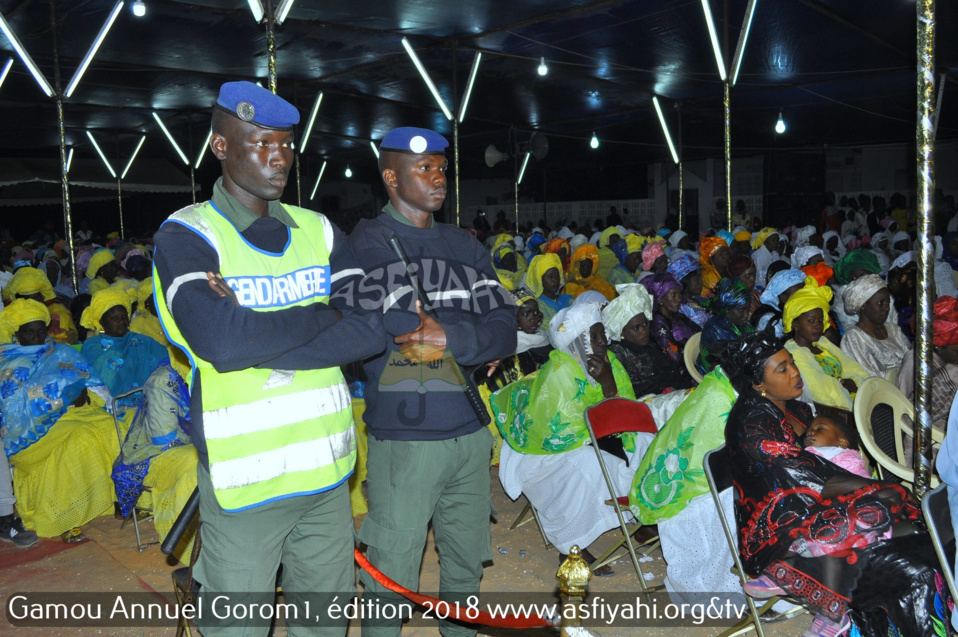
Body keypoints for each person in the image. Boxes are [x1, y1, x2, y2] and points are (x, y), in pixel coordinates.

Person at [153, 82, 381, 636]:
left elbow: (372, 331)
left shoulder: (320, 230)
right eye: (259, 143)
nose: (278, 157)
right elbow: (221, 343)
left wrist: (255, 332)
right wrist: (323, 313)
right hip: (245, 483)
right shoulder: (188, 234)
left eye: (285, 144)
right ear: (221, 147)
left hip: (328, 476)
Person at [349, 126, 517, 637]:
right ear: (390, 176)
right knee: (391, 574)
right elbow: (390, 327)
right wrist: (468, 336)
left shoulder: (464, 244)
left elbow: (504, 329)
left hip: (469, 433)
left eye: (442, 167)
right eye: (423, 168)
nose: (438, 177)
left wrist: (449, 337)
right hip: (405, 439)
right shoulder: (366, 243)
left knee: (465, 566)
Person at [724, 332, 947, 636]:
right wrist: (869, 488)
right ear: (759, 384)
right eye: (782, 369)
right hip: (778, 534)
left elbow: (827, 458)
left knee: (916, 534)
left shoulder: (796, 408)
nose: (795, 372)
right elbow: (803, 474)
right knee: (895, 532)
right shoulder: (753, 423)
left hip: (813, 509)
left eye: (792, 363)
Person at [494, 303, 653, 575]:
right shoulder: (560, 371)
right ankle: (571, 545)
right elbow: (554, 430)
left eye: (603, 334)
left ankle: (642, 515)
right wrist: (602, 429)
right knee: (589, 463)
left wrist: (607, 385)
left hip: (598, 435)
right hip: (545, 449)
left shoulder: (610, 362)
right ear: (578, 340)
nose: (604, 342)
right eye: (595, 336)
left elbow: (626, 409)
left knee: (646, 443)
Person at [0, 299, 117, 540]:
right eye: (28, 332)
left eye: (40, 330)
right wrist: (62, 397)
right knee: (79, 439)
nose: (36, 337)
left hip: (68, 415)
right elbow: (12, 403)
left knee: (108, 426)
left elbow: (93, 384)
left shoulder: (60, 351)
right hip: (26, 433)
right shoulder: (6, 361)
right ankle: (64, 517)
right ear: (16, 333)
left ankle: (114, 498)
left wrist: (83, 393)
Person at [783, 278, 869, 412]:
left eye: (821, 320)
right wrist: (845, 384)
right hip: (833, 412)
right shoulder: (794, 353)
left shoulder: (821, 343)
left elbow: (852, 367)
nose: (818, 325)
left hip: (854, 402)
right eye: (811, 321)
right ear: (795, 324)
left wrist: (857, 383)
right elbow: (820, 390)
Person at [80, 287, 170, 402]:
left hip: (148, 402)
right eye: (114, 318)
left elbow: (166, 360)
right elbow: (95, 379)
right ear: (101, 322)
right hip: (108, 403)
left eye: (124, 317)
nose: (121, 321)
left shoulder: (142, 341)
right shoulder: (92, 345)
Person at [602, 283, 692, 396]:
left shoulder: (651, 346)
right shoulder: (618, 354)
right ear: (622, 332)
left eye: (645, 324)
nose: (644, 330)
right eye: (636, 328)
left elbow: (672, 375)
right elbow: (628, 392)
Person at [839, 274, 909, 379]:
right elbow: (868, 377)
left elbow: (910, 360)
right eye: (880, 303)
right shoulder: (853, 338)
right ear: (863, 305)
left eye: (888, 303)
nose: (886, 308)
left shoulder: (893, 330)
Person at [1, 265, 78, 344]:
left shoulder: (57, 312)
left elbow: (72, 340)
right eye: (28, 299)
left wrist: (58, 334)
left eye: (37, 296)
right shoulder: (9, 317)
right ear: (17, 300)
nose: (34, 302)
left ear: (43, 296)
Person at [698, 278, 755, 374]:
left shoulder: (742, 324)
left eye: (748, 309)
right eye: (741, 310)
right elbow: (734, 363)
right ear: (727, 308)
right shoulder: (714, 328)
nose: (747, 315)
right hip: (716, 378)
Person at [643, 272, 700, 363]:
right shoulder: (658, 323)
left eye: (679, 295)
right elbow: (674, 355)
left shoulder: (678, 316)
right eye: (673, 295)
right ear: (660, 299)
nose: (678, 299)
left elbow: (700, 334)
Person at [804, 415, 870, 479]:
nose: (809, 432)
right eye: (808, 430)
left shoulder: (844, 458)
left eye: (820, 429)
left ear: (842, 443)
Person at [525, 253, 572, 331]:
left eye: (557, 276)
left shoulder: (569, 300)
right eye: (550, 277)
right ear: (540, 280)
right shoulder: (537, 306)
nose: (555, 280)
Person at [668, 254, 710, 328]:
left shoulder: (699, 299)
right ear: (685, 282)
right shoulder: (680, 309)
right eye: (696, 279)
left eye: (701, 277)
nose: (701, 282)